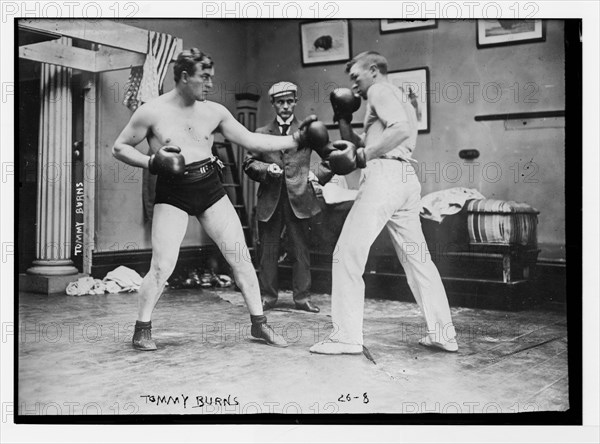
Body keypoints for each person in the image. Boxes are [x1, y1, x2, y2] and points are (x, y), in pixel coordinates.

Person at [112, 49, 327, 351]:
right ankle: (142, 328)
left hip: (209, 187)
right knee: (162, 266)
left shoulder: (215, 111)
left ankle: (260, 324)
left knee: (241, 258)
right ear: (185, 77)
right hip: (173, 190)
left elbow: (252, 140)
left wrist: (297, 139)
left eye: (212, 77)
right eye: (205, 77)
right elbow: (119, 147)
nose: (211, 83)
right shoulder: (152, 111)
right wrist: (150, 163)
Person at [310, 51, 459, 355]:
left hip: (383, 178)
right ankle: (443, 334)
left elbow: (397, 132)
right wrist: (342, 117)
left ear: (374, 70)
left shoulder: (379, 90)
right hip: (404, 179)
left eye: (356, 77)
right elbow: (360, 143)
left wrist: (365, 156)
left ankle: (346, 337)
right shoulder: (396, 96)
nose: (354, 86)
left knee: (346, 254)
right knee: (417, 260)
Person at [243, 81, 325, 313]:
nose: (286, 106)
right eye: (281, 102)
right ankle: (268, 298)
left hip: (300, 199)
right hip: (271, 198)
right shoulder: (260, 133)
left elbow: (330, 156)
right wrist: (266, 170)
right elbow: (248, 163)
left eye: (290, 101)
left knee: (301, 251)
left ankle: (302, 298)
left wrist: (316, 175)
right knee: (268, 251)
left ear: (296, 102)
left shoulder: (309, 131)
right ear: (273, 104)